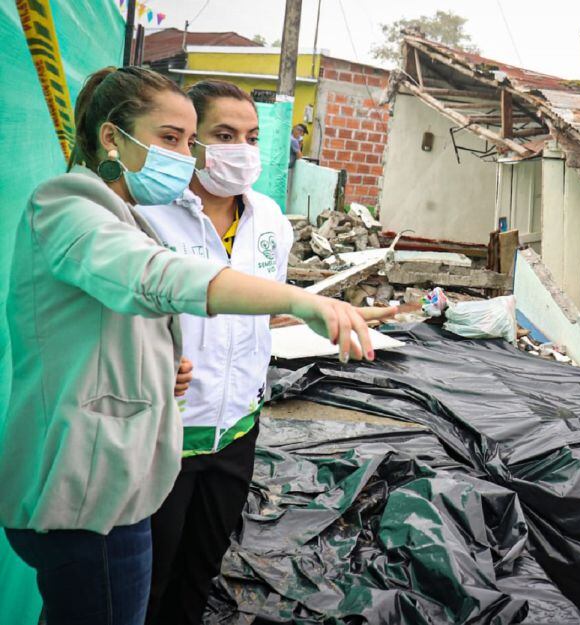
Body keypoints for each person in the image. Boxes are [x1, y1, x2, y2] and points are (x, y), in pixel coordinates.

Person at [0, 66, 374, 625]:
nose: (184, 154)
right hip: (94, 482)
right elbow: (155, 278)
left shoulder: (243, 216)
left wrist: (159, 368)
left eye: (186, 138)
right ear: (112, 137)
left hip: (166, 446)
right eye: (171, 138)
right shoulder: (70, 206)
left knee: (186, 578)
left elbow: (116, 327)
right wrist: (303, 301)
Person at [133, 80, 406, 624]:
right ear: (192, 142)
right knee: (147, 580)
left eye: (251, 137)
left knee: (201, 569)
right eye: (224, 134)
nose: (242, 149)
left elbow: (264, 309)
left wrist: (325, 317)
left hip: (237, 429)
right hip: (165, 435)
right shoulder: (149, 217)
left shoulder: (269, 220)